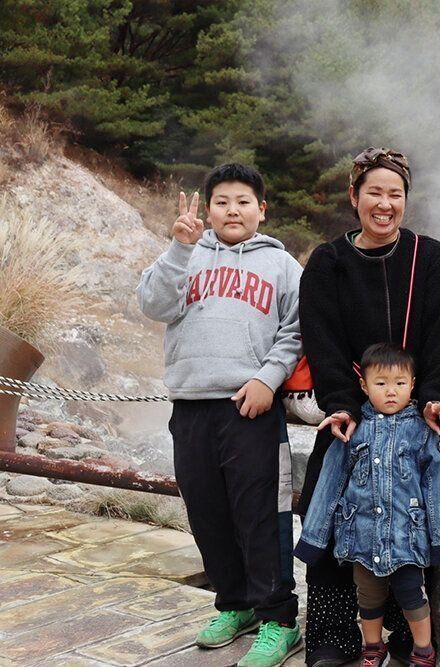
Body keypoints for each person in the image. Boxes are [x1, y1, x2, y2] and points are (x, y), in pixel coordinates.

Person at [297, 147, 440, 666]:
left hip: (413, 415)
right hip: (352, 414)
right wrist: (343, 404)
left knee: (411, 520)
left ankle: (406, 636)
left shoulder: (431, 259)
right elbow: (322, 342)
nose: (385, 204)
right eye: (374, 192)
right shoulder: (327, 263)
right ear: (354, 196)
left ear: (406, 200)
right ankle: (334, 636)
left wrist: (434, 397)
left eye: (395, 194)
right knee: (328, 513)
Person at [136, 163, 303, 667]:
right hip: (190, 406)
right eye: (222, 202)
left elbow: (296, 331)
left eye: (243, 201)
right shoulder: (184, 254)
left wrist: (267, 379)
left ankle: (279, 620)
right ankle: (235, 605)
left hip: (250, 407)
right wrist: (178, 248)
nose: (233, 210)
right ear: (207, 210)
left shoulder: (282, 265)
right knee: (207, 513)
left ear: (261, 209)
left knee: (261, 516)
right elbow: (153, 305)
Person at [295, 343, 440, 667]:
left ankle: (423, 649)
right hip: (361, 536)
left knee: (412, 594)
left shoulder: (421, 431)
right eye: (381, 383)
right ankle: (373, 647)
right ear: (364, 385)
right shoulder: (353, 428)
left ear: (413, 384)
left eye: (400, 383)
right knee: (368, 597)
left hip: (406, 537)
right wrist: (314, 539)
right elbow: (330, 481)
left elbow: (438, 484)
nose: (391, 391)